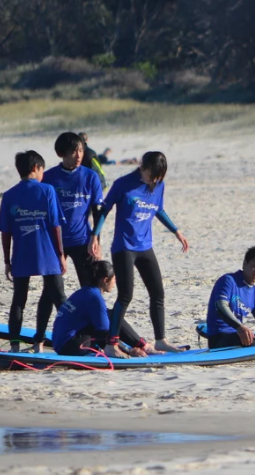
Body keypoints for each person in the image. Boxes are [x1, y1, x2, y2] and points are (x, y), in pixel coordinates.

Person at [41, 133, 151, 355]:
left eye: (81, 150)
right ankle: (41, 340)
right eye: (74, 152)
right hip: (55, 243)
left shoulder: (90, 176)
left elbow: (98, 211)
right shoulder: (49, 178)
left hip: (83, 240)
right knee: (51, 291)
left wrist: (96, 240)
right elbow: (44, 215)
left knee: (92, 291)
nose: (79, 155)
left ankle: (96, 336)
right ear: (61, 153)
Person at [93, 150, 188, 353]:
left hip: (145, 246)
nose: (153, 180)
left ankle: (161, 340)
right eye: (151, 175)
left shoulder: (158, 184)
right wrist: (95, 235)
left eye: (158, 177)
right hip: (124, 247)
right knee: (126, 295)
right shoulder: (123, 184)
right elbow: (105, 209)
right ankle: (111, 343)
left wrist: (176, 230)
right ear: (142, 167)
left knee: (158, 292)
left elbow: (158, 209)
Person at [0, 150, 67, 352]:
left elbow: (6, 232)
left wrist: (7, 261)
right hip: (47, 253)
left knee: (19, 300)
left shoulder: (9, 195)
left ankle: (15, 345)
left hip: (21, 254)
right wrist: (61, 255)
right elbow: (55, 226)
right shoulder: (47, 190)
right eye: (42, 170)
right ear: (36, 168)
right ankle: (53, 340)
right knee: (59, 298)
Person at [51, 261, 136, 358]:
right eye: (114, 279)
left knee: (106, 318)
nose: (114, 282)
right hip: (70, 346)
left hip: (60, 344)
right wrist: (127, 350)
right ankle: (139, 345)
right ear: (105, 280)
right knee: (112, 316)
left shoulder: (84, 291)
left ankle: (139, 344)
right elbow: (104, 330)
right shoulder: (95, 296)